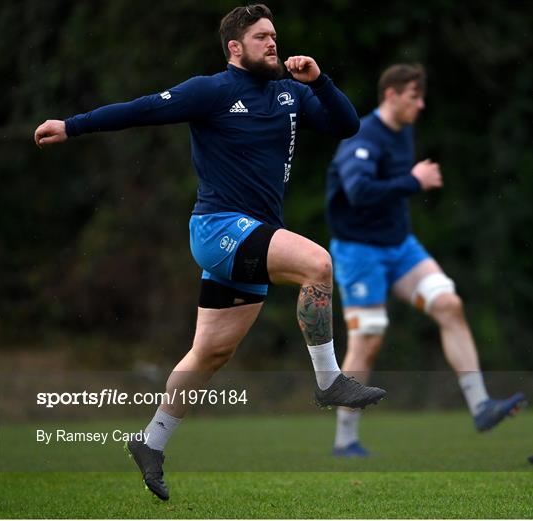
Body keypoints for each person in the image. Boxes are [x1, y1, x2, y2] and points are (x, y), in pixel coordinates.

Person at [34, 4, 386, 499]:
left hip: (254, 235)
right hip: (218, 227)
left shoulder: (291, 93)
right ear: (235, 49)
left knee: (210, 352)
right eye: (262, 37)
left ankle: (151, 440)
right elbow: (143, 109)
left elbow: (345, 126)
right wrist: (72, 125)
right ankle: (329, 382)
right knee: (317, 263)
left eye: (274, 36)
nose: (273, 43)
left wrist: (322, 80)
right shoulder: (212, 90)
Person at [326, 63, 525, 458]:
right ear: (391, 95)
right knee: (369, 337)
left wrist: (409, 184)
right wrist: (414, 182)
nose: (421, 104)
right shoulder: (363, 135)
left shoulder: (405, 132)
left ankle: (481, 405)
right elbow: (359, 191)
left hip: (400, 246)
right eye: (413, 96)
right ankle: (345, 440)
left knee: (449, 304)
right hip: (359, 250)